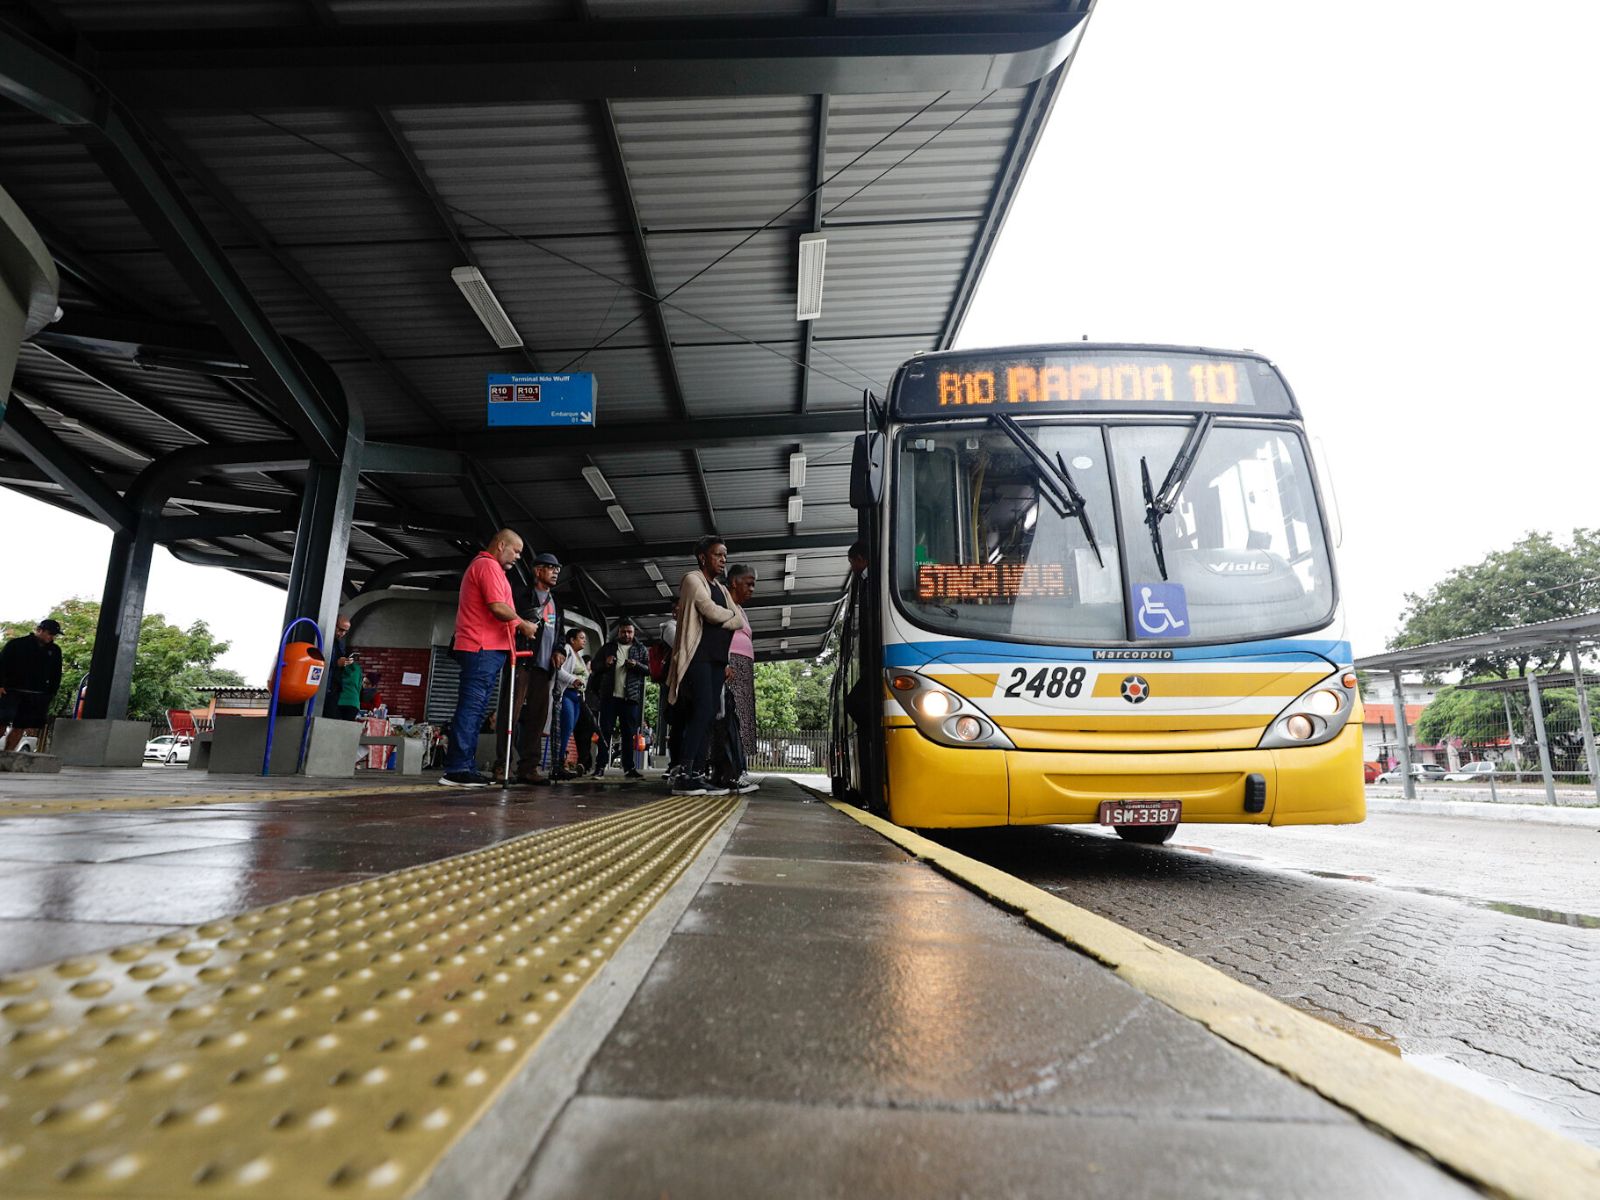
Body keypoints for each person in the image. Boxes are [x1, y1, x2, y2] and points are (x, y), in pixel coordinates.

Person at [441, 530, 538, 788]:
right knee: (472, 707)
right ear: (501, 544)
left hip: (487, 648)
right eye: (516, 551)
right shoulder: (487, 566)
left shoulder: (493, 570)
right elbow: (497, 606)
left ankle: (464, 766)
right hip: (481, 647)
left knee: (476, 706)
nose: (518, 557)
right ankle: (457, 768)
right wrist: (523, 624)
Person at [666, 536, 746, 796]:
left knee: (710, 713)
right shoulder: (692, 580)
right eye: (718, 555)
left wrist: (728, 617)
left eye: (725, 555)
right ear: (703, 557)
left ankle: (698, 773)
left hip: (716, 659)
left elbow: (739, 622)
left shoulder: (722, 588)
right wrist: (729, 616)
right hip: (697, 656)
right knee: (701, 710)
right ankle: (684, 772)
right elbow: (709, 611)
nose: (723, 560)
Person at [501, 552, 563, 785]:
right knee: (511, 714)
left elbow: (560, 634)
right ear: (537, 570)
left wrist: (560, 650)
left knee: (538, 717)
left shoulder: (557, 602)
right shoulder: (521, 595)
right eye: (551, 567)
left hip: (544, 667)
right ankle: (502, 764)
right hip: (522, 660)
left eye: (558, 568)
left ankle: (528, 768)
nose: (556, 572)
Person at [591, 617, 650, 778]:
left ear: (634, 632)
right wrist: (606, 664)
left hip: (630, 699)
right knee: (605, 733)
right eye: (623, 631)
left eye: (629, 632)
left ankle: (629, 768)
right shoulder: (608, 648)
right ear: (618, 632)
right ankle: (600, 766)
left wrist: (636, 665)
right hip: (609, 697)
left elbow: (649, 669)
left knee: (628, 734)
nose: (626, 634)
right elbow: (594, 666)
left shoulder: (640, 649)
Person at [0, 618, 63, 753]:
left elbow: (56, 674)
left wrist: (51, 693)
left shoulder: (55, 651)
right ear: (39, 630)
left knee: (20, 726)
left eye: (53, 635)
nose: (51, 637)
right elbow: (2, 665)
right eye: (49, 633)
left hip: (36, 694)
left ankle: (7, 755)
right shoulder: (16, 644)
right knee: (2, 721)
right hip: (11, 690)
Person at [723, 565, 759, 792]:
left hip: (743, 666)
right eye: (749, 583)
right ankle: (732, 771)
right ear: (734, 582)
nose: (752, 589)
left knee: (741, 720)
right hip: (732, 665)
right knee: (730, 718)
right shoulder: (724, 601)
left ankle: (739, 768)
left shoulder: (739, 608)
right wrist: (725, 662)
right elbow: (719, 633)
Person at [550, 628, 589, 781]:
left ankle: (561, 762)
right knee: (565, 729)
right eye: (581, 638)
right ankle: (558, 764)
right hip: (566, 694)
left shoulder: (579, 656)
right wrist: (574, 680)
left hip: (577, 696)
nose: (584, 641)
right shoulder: (566, 650)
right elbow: (558, 671)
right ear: (572, 640)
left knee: (570, 728)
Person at [323, 613, 353, 717]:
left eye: (345, 631)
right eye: (340, 629)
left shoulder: (339, 644)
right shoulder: (324, 639)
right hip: (323, 685)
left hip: (334, 687)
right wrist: (336, 663)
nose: (342, 633)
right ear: (333, 625)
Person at [332, 653, 363, 721]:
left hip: (340, 701)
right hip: (354, 702)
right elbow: (359, 687)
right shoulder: (358, 670)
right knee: (346, 728)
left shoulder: (341, 667)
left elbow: (335, 682)